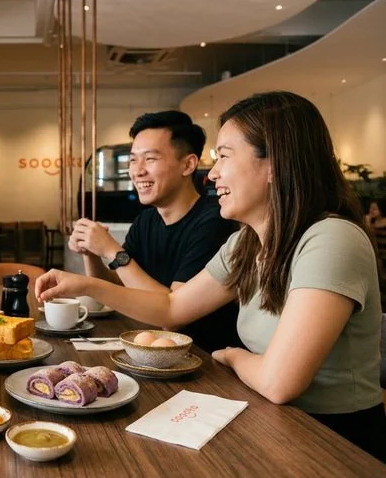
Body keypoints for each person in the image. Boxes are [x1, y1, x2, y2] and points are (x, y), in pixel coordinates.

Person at [36, 91, 385, 461]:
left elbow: (278, 382)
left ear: (275, 164)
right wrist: (86, 284)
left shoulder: (331, 239)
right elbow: (173, 308)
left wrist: (232, 356)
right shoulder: (246, 243)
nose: (213, 173)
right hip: (272, 422)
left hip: (333, 443)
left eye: (225, 157)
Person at [70, 110, 241, 352]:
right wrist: (91, 252)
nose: (137, 171)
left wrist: (112, 250)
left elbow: (172, 315)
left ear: (188, 164)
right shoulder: (146, 220)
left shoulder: (214, 222)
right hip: (152, 354)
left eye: (150, 159)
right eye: (132, 160)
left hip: (204, 361)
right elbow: (117, 291)